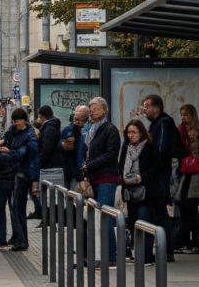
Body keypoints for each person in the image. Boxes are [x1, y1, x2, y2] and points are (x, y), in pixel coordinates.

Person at [143, 94, 187, 263]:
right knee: (159, 212)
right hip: (160, 174)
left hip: (160, 176)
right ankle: (166, 249)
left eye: (147, 106)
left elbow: (160, 150)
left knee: (160, 213)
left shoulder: (163, 123)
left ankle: (166, 249)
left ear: (157, 107)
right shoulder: (158, 123)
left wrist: (151, 170)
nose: (145, 110)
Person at [79, 96, 121, 265]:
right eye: (91, 109)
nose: (92, 112)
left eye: (95, 109)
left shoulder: (110, 129)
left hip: (106, 178)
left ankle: (111, 256)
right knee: (94, 217)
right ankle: (96, 252)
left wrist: (89, 164)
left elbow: (111, 154)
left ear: (105, 110)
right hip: (94, 177)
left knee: (106, 216)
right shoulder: (91, 128)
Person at [119, 118, 163, 262]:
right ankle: (137, 254)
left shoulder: (150, 146)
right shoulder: (126, 147)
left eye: (134, 132)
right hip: (130, 192)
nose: (131, 135)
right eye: (128, 132)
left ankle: (146, 256)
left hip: (147, 192)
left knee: (144, 221)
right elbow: (121, 166)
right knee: (132, 223)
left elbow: (156, 168)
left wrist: (141, 177)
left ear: (141, 133)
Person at [0, 107, 39, 252]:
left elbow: (31, 158)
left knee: (18, 208)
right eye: (14, 120)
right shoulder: (11, 132)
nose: (16, 123)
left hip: (21, 175)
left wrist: (34, 181)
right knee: (12, 208)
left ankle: (21, 241)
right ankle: (16, 238)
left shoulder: (30, 136)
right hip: (10, 174)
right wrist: (1, 143)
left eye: (18, 120)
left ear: (25, 120)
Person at [174, 103, 199, 254]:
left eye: (186, 115)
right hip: (183, 169)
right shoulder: (180, 129)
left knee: (191, 206)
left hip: (195, 170)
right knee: (182, 205)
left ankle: (194, 242)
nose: (184, 118)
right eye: (182, 114)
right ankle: (185, 241)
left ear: (193, 115)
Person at [32, 105, 63, 220]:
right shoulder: (50, 127)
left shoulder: (49, 129)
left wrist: (38, 162)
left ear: (41, 116)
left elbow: (46, 150)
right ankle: (47, 219)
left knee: (48, 197)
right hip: (51, 166)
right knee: (48, 196)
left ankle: (48, 220)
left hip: (49, 167)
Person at [61, 104, 87, 189]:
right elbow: (58, 144)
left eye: (81, 120)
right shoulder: (68, 129)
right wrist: (63, 144)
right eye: (75, 119)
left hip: (84, 172)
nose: (77, 122)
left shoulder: (88, 131)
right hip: (70, 171)